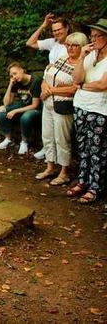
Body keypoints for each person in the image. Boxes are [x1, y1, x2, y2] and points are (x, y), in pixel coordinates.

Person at [36, 32, 87, 186]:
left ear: (82, 47)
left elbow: (74, 88)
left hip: (63, 106)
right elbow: (46, 77)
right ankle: (50, 166)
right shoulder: (61, 59)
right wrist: (45, 88)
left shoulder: (81, 65)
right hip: (48, 103)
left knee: (61, 139)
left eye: (75, 45)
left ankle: (64, 172)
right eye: (68, 44)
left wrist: (50, 90)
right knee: (47, 136)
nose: (70, 48)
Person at [67, 19, 107, 205]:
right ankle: (83, 181)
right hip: (81, 105)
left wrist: (82, 85)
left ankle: (95, 187)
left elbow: (102, 85)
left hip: (99, 109)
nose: (94, 39)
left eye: (98, 36)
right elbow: (75, 78)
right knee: (82, 147)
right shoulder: (90, 55)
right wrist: (82, 57)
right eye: (92, 35)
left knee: (97, 150)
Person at [26, 14, 71, 159]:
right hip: (47, 85)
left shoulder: (73, 44)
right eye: (54, 30)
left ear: (67, 28)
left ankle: (61, 163)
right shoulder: (53, 43)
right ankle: (49, 154)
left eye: (59, 29)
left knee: (61, 133)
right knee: (48, 129)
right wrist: (43, 25)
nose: (57, 33)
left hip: (62, 89)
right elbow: (30, 43)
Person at [0, 62, 41, 155]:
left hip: (36, 108)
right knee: (1, 110)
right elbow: (7, 103)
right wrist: (10, 85)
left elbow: (35, 105)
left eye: (15, 73)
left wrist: (15, 111)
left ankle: (24, 142)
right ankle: (8, 139)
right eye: (11, 75)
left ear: (22, 70)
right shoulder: (16, 82)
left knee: (25, 117)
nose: (14, 76)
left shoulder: (35, 81)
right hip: (23, 104)